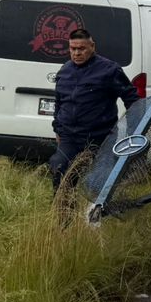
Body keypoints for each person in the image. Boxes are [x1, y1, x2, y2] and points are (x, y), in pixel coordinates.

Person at [49, 28, 141, 192]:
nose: (77, 53)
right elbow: (59, 102)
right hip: (70, 137)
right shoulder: (65, 71)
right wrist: (57, 128)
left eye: (81, 48)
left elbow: (132, 100)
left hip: (100, 137)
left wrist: (134, 128)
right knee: (59, 168)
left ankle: (98, 206)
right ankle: (64, 207)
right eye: (73, 49)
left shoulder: (110, 70)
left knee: (98, 183)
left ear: (92, 46)